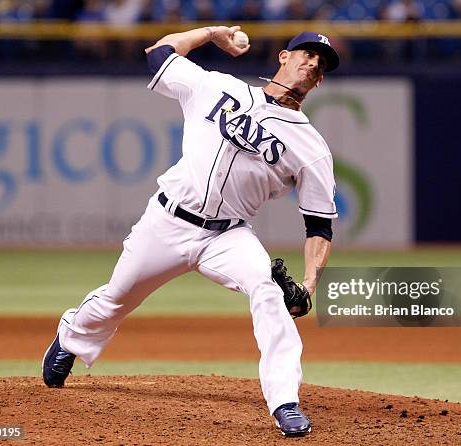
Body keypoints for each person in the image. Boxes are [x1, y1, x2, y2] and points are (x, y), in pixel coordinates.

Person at [42, 25, 340, 437]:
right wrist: (212, 33)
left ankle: (285, 401)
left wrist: (308, 284)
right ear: (283, 58)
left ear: (320, 80)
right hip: (167, 221)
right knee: (115, 299)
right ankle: (71, 337)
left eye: (320, 63)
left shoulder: (311, 146)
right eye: (306, 54)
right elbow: (157, 54)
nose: (312, 63)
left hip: (228, 236)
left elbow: (319, 224)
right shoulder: (219, 88)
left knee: (268, 291)